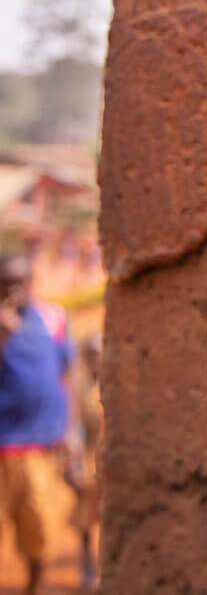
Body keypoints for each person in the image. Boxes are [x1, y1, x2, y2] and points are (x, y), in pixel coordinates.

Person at [0, 253, 77, 595]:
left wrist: (72, 431)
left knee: (41, 526)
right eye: (7, 283)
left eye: (21, 282)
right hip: (3, 446)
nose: (15, 290)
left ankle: (35, 587)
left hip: (42, 445)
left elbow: (67, 376)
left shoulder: (52, 318)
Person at [66, 333, 103, 589]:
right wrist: (73, 464)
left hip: (109, 461)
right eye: (90, 355)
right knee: (84, 519)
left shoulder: (115, 383)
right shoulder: (78, 388)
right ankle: (88, 565)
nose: (95, 360)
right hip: (89, 459)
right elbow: (73, 426)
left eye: (98, 354)